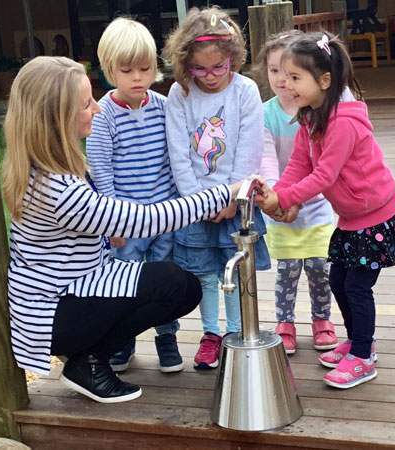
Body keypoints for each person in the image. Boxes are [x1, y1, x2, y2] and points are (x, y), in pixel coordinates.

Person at [2, 55, 262, 403]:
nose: (97, 108)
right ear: (57, 118)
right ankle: (88, 362)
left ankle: (89, 357)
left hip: (73, 286)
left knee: (183, 286)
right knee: (174, 285)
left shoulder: (47, 166)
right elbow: (144, 220)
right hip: (54, 312)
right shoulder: (56, 190)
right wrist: (224, 193)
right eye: (85, 104)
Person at [256, 32, 395, 389]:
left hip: (375, 217)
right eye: (282, 75)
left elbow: (324, 175)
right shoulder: (310, 117)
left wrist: (284, 200)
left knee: (357, 287)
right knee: (340, 280)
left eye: (296, 78)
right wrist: (280, 195)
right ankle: (359, 342)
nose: (286, 83)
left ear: (324, 81)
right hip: (351, 217)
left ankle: (362, 357)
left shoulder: (341, 123)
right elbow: (298, 163)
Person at [162, 6, 270, 370]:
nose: (208, 76)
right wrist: (199, 203)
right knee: (205, 274)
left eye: (217, 67)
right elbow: (179, 153)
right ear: (185, 63)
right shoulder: (181, 94)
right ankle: (210, 333)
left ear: (233, 58)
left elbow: (249, 150)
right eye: (199, 69)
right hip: (194, 206)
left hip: (235, 204)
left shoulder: (246, 91)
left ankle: (236, 332)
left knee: (236, 270)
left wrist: (230, 199)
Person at [86, 17, 183, 374]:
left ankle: (167, 336)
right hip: (125, 220)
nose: (138, 78)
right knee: (125, 281)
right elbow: (101, 170)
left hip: (165, 216)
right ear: (110, 70)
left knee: (164, 278)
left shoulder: (163, 106)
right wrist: (112, 220)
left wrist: (176, 208)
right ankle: (123, 339)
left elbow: (174, 159)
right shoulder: (102, 115)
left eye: (145, 68)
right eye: (127, 70)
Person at [255, 30, 338, 355]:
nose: (281, 80)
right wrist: (279, 198)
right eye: (274, 71)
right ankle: (285, 322)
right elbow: (265, 158)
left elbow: (321, 167)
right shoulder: (265, 113)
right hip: (281, 202)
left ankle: (322, 320)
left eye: (290, 73)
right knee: (287, 269)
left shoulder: (319, 109)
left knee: (320, 266)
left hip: (316, 202)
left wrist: (293, 198)